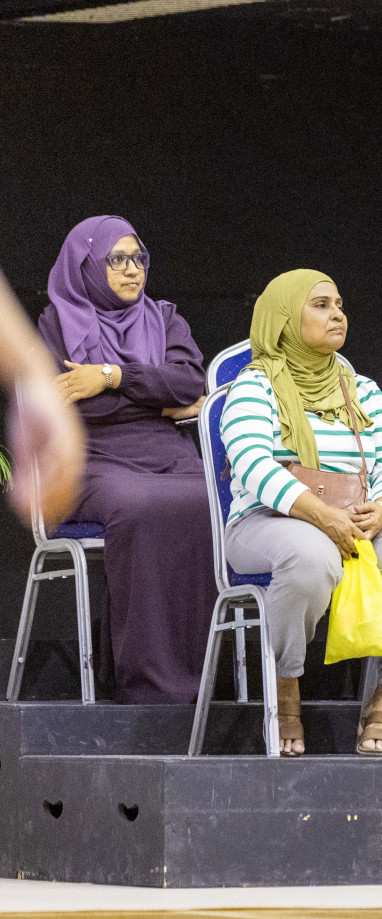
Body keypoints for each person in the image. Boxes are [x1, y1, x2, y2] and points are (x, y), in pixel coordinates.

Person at [221, 270, 382, 756]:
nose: (337, 313)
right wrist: (322, 516)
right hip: (267, 520)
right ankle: (285, 695)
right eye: (320, 304)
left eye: (340, 304)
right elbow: (254, 466)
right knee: (310, 559)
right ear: (284, 317)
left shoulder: (360, 388)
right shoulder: (252, 386)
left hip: (358, 518)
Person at [35, 216, 214, 703]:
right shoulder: (54, 325)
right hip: (92, 460)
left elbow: (189, 384)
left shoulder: (164, 318)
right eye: (117, 259)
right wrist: (157, 397)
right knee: (139, 507)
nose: (132, 270)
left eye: (139, 259)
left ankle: (207, 677)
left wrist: (112, 376)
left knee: (213, 502)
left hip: (168, 452)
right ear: (87, 265)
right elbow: (78, 406)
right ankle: (151, 683)